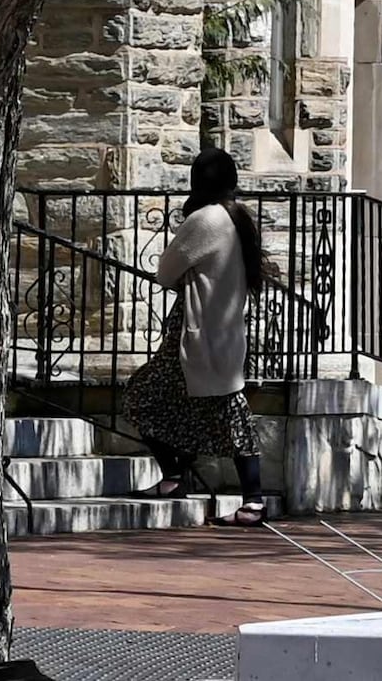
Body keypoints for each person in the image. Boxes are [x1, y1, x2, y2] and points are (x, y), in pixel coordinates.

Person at [140, 148, 268, 519]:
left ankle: (249, 498)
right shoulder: (236, 216)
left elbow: (165, 272)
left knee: (143, 398)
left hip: (198, 332)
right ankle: (179, 477)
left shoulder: (206, 220)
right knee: (213, 407)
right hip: (223, 332)